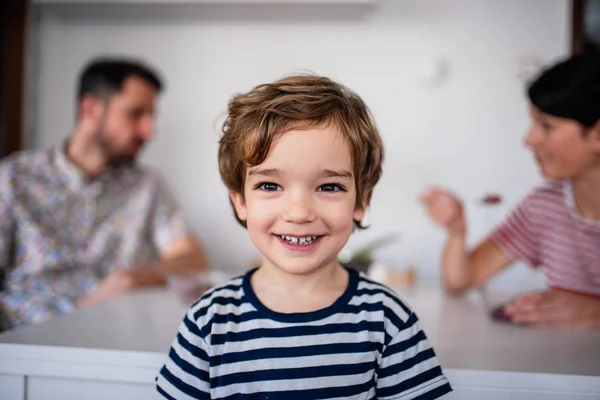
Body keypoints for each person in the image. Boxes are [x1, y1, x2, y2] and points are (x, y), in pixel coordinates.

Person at [156, 74, 452, 399]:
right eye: (270, 186)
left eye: (329, 187)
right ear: (240, 201)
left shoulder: (388, 320)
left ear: (361, 201)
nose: (298, 212)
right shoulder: (208, 322)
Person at [0, 57, 208, 331]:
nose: (149, 131)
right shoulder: (14, 179)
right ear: (91, 109)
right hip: (26, 347)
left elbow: (193, 258)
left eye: (151, 117)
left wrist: (132, 279)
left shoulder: (147, 185)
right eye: (136, 114)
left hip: (116, 340)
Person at [421, 52, 600, 329]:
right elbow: (460, 282)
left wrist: (594, 314)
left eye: (547, 126)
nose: (528, 139)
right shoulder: (545, 205)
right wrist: (457, 229)